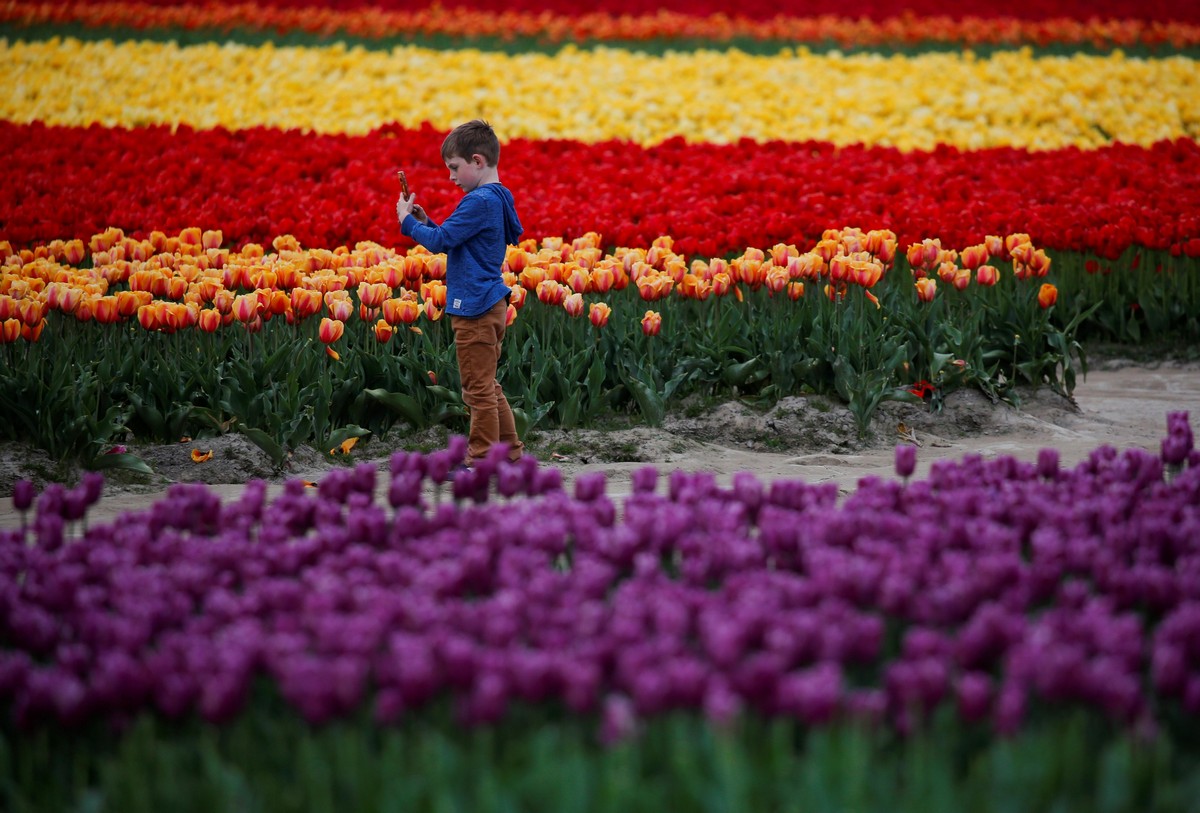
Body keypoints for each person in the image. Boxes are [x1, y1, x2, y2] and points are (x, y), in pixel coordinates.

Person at [396, 119, 525, 470]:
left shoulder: (478, 201)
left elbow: (441, 243)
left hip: (475, 308)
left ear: (478, 161)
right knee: (489, 386)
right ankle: (511, 456)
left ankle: (480, 462)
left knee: (477, 391)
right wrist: (427, 222)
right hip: (490, 303)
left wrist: (407, 221)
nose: (451, 177)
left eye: (455, 168)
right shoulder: (498, 196)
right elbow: (457, 239)